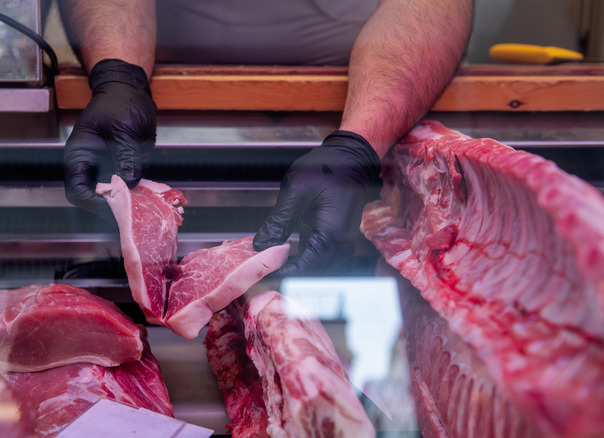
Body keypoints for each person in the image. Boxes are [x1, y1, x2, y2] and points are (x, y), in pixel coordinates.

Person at [59, 0, 473, 277]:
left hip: (374, 109)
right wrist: (119, 76)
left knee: (330, 316)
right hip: (145, 122)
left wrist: (358, 145)